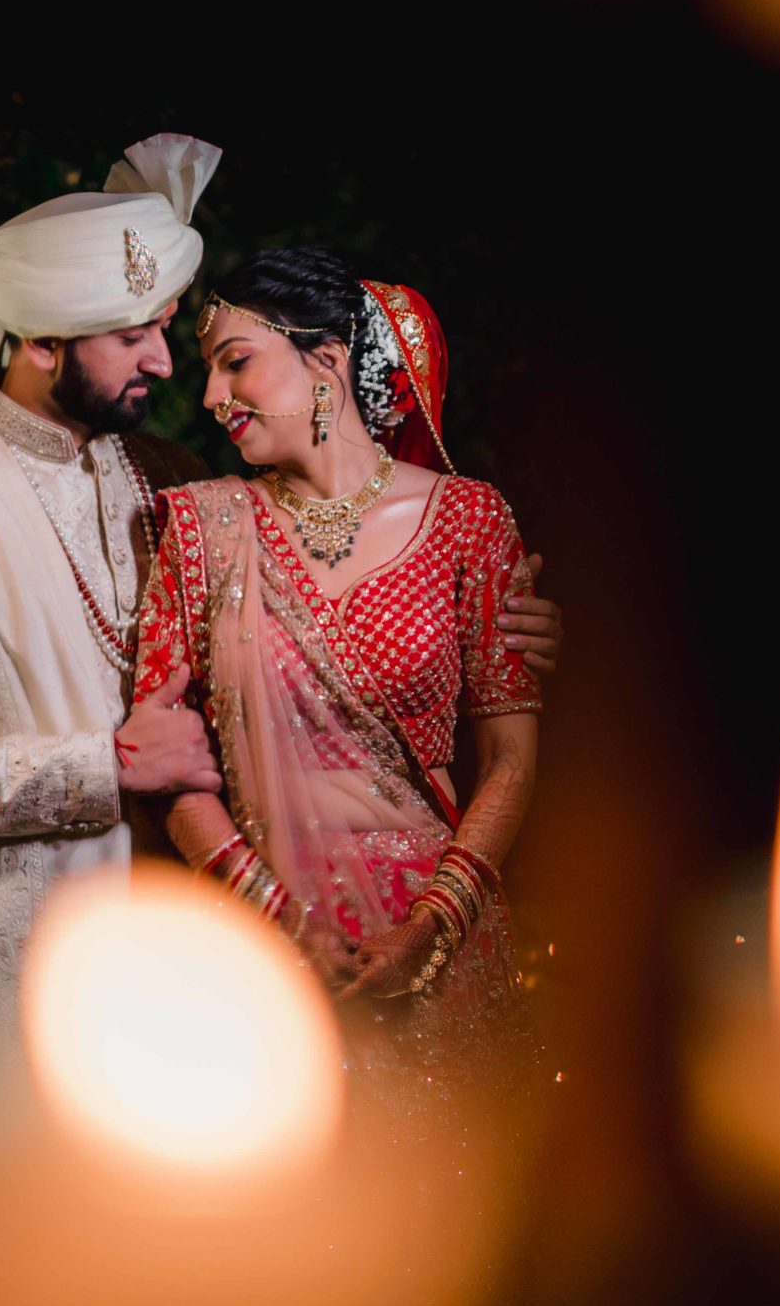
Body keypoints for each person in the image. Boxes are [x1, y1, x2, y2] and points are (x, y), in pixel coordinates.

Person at [0, 142, 566, 1306]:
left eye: (183, 337)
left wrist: (508, 630)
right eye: (140, 338)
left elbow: (355, 584)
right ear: (46, 338)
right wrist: (98, 767)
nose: (170, 370)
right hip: (22, 981)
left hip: (207, 975)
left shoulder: (163, 475)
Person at [131, 246, 550, 1184]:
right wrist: (282, 919)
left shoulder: (470, 521)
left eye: (236, 361)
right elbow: (172, 763)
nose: (210, 398)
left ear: (325, 362)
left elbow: (513, 763)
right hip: (261, 959)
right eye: (208, 370)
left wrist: (432, 928)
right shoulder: (199, 529)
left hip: (437, 945)